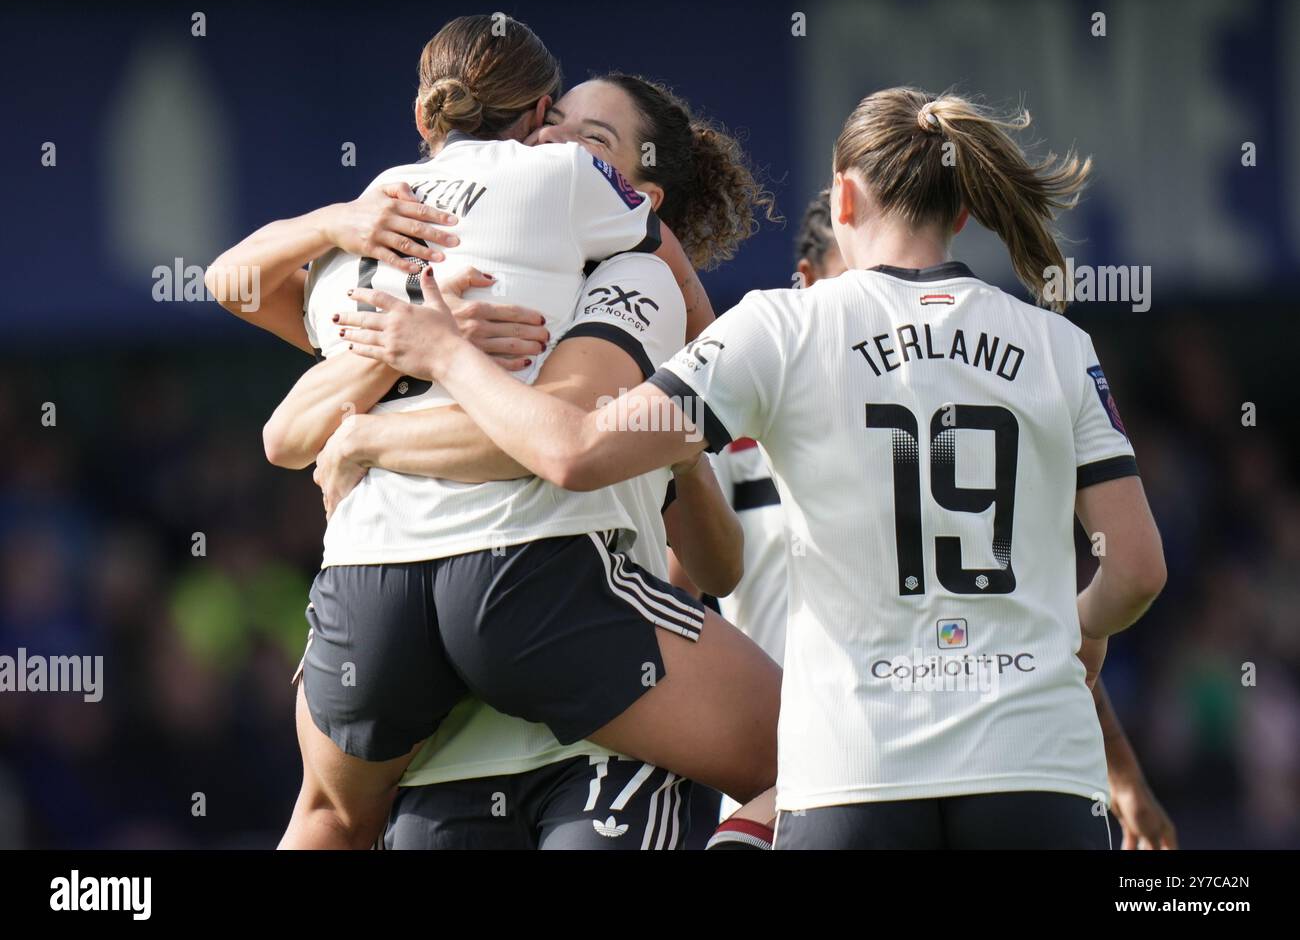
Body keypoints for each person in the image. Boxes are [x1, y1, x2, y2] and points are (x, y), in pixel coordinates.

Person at [336, 87, 1168, 849]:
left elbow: (574, 450)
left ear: (842, 197)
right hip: (1039, 773)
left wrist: (446, 355)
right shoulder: (1059, 347)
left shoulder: (783, 329)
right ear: (960, 215)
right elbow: (1134, 570)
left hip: (855, 773)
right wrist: (1077, 629)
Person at [208, 15, 782, 849]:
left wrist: (369, 430)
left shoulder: (580, 274)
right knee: (814, 757)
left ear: (642, 194)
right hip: (520, 623)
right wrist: (388, 307)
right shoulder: (562, 256)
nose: (555, 143)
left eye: (588, 137)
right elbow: (556, 447)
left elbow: (285, 412)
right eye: (553, 125)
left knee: (327, 815)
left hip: (390, 607)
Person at [674, 188, 1178, 848]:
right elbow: (1106, 592)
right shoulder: (746, 424)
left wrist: (1126, 774)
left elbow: (1051, 627)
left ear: (850, 197)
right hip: (958, 762)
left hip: (845, 767)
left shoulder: (774, 345)